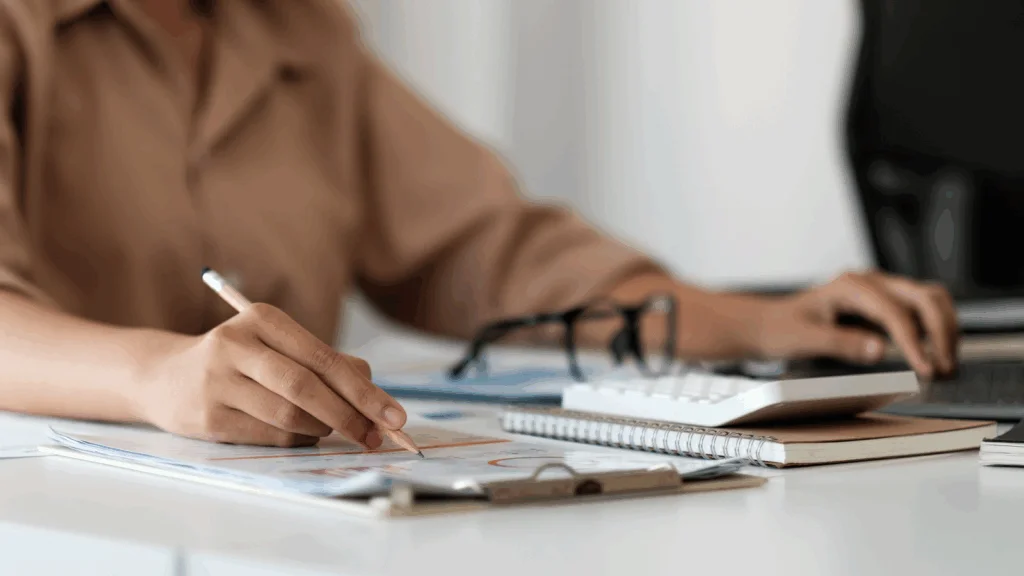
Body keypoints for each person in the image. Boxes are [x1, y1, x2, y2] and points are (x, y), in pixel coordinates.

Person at [0, 0, 957, 449]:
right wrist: (158, 377)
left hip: (281, 516)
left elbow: (490, 250)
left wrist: (758, 320)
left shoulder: (303, 31)